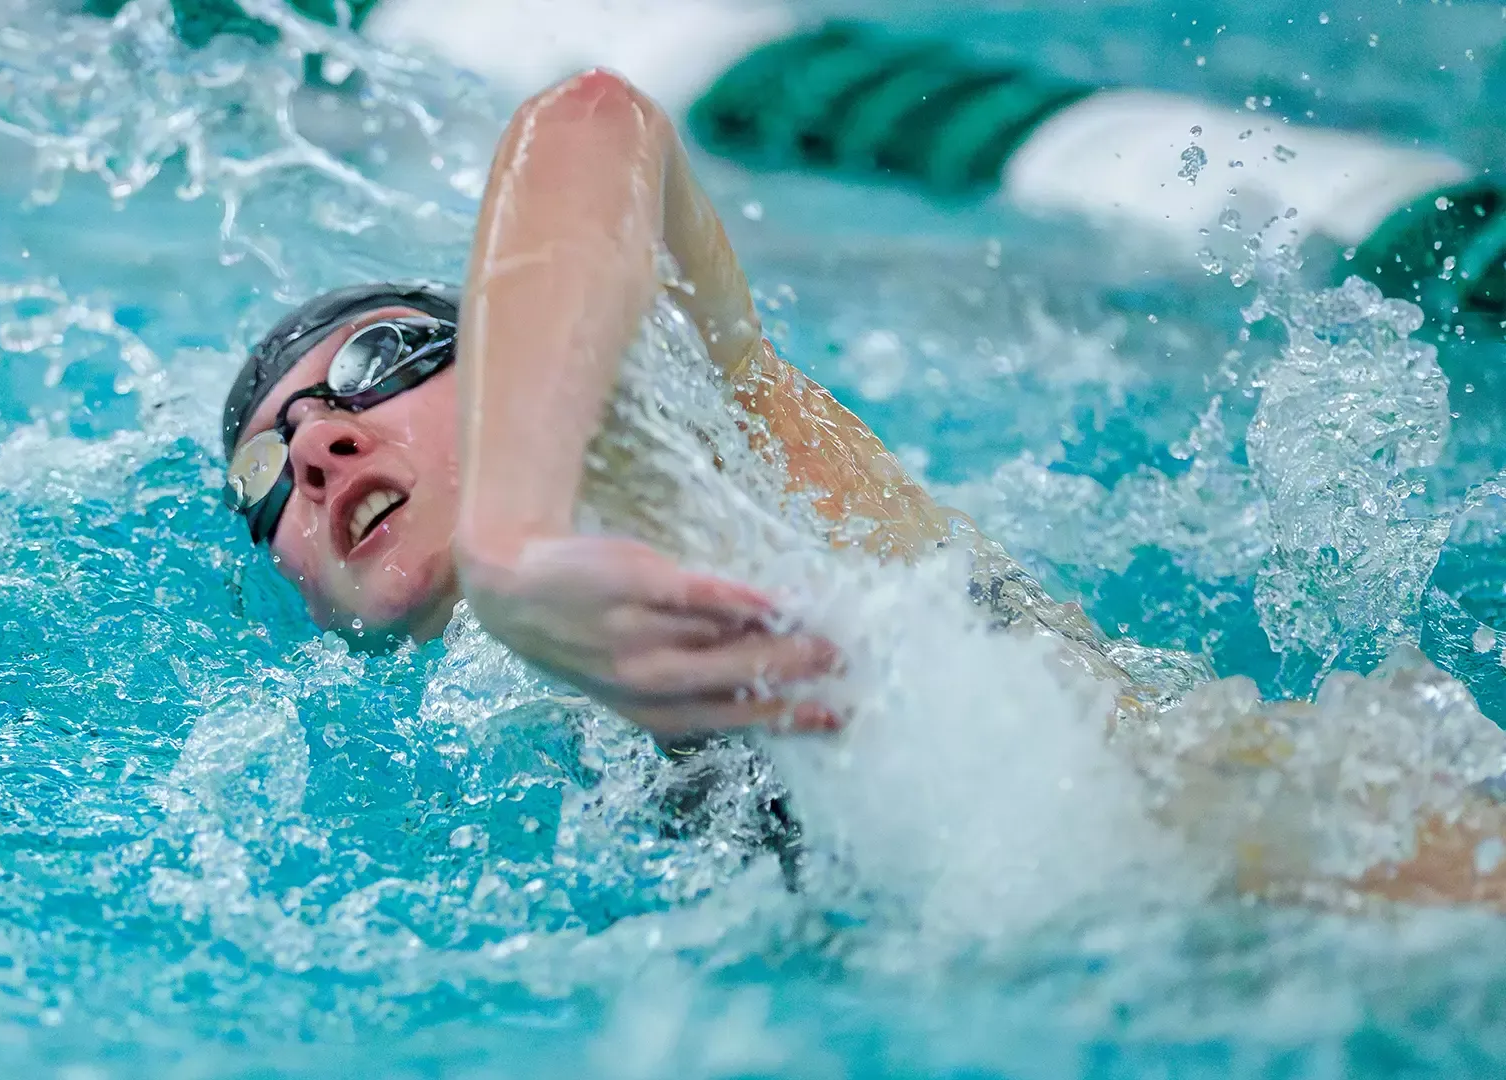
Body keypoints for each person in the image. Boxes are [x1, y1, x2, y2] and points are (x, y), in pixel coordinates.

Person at [219, 69, 1506, 910]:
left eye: (380, 362)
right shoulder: (492, 763)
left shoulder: (687, 443)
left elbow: (593, 120)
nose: (320, 446)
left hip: (1295, 863)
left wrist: (516, 547)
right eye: (266, 470)